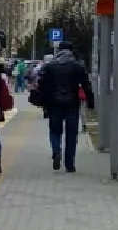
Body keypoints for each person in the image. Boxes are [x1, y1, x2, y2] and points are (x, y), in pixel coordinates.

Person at [36, 41, 95, 172]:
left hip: (54, 103)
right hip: (72, 104)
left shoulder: (50, 66)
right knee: (71, 134)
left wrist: (44, 101)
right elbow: (86, 85)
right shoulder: (77, 66)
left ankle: (56, 151)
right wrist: (91, 102)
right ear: (71, 51)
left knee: (55, 131)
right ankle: (70, 164)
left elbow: (41, 84)